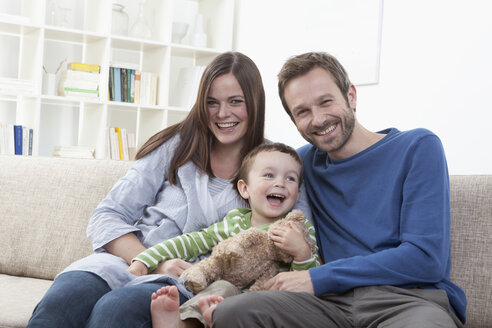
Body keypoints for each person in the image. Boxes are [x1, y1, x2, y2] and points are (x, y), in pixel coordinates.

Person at [27, 52, 310, 328]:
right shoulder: (176, 146)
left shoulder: (276, 168)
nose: (223, 113)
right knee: (58, 305)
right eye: (212, 103)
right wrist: (153, 262)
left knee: (114, 312)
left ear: (255, 102)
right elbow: (107, 216)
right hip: (124, 262)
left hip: (188, 283)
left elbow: (301, 236)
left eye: (235, 101)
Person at [210, 52, 467, 327]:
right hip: (328, 305)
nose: (318, 119)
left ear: (351, 96)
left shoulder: (417, 147)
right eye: (303, 111)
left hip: (407, 302)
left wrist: (316, 278)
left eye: (326, 102)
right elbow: (249, 194)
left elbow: (426, 258)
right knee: (234, 311)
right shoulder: (300, 165)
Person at [128, 142, 320, 327]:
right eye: (269, 175)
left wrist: (301, 253)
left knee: (272, 303)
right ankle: (183, 323)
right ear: (245, 189)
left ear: (298, 195)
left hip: (269, 304)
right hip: (226, 298)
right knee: (221, 289)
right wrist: (145, 260)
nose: (280, 183)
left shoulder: (299, 228)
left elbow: (310, 281)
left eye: (290, 178)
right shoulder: (234, 223)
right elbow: (191, 242)